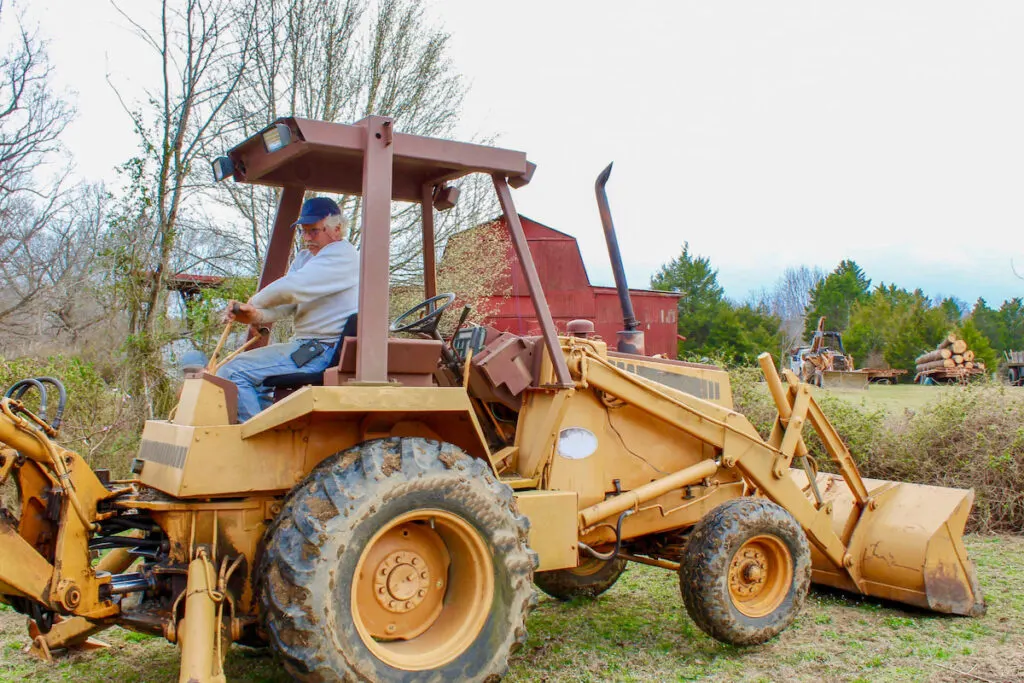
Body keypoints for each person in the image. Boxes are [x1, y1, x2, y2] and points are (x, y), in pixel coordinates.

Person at [217, 196, 359, 422]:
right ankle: (266, 430)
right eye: (304, 232)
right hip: (306, 347)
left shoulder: (343, 255)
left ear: (338, 228)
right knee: (252, 379)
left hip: (321, 350)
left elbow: (292, 288)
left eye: (314, 231)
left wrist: (252, 303)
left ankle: (255, 447)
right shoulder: (306, 259)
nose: (307, 238)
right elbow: (288, 304)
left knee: (234, 373)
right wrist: (258, 315)